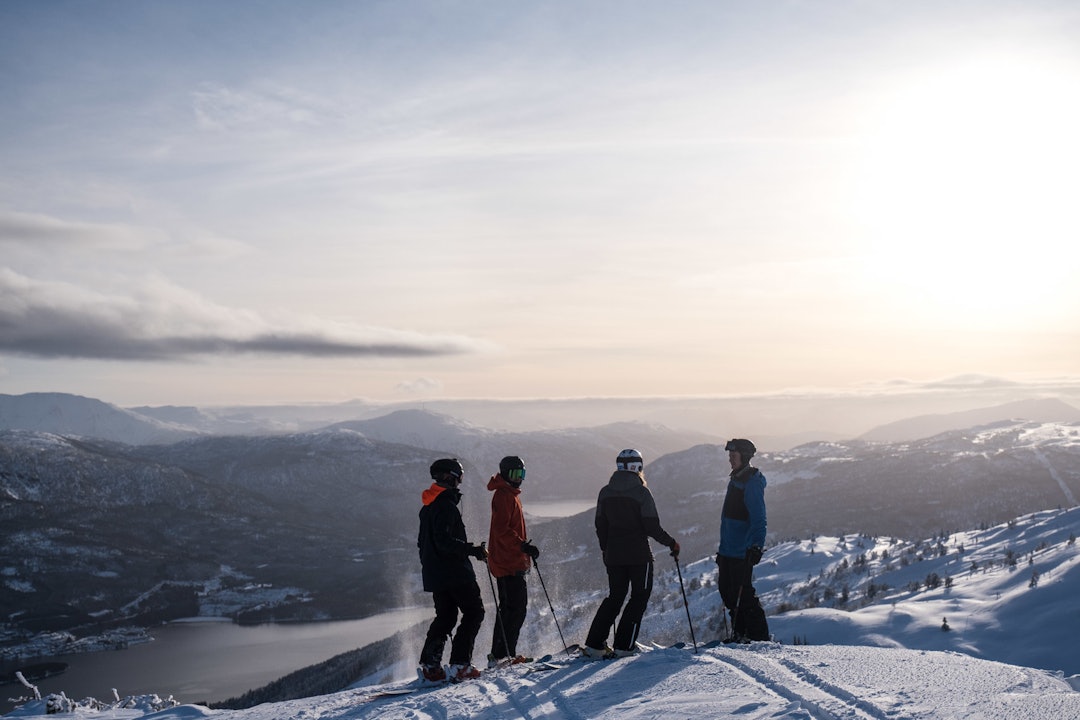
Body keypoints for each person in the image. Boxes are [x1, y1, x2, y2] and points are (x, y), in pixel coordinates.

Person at [583, 448, 680, 658]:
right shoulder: (641, 493)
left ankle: (594, 645)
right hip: (639, 557)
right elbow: (651, 526)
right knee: (639, 598)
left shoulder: (605, 492)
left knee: (615, 598)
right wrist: (671, 543)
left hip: (614, 556)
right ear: (638, 467)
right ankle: (624, 646)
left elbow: (600, 525)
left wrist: (605, 548)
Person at [417, 458, 488, 682]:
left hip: (435, 573)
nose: (460, 482)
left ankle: (431, 666)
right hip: (455, 572)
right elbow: (444, 541)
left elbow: (425, 543)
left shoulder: (429, 506)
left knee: (446, 616)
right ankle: (460, 665)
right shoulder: (445, 506)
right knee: (474, 611)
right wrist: (471, 550)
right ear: (451, 477)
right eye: (459, 476)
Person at [485, 455, 540, 666]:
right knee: (515, 609)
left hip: (510, 559)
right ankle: (502, 655)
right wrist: (522, 545)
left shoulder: (510, 494)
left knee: (510, 608)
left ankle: (501, 654)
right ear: (506, 473)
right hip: (507, 562)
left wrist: (522, 548)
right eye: (516, 474)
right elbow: (501, 529)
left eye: (522, 474)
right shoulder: (503, 496)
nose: (520, 479)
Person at [716, 438, 770, 642]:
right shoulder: (736, 479)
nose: (730, 459)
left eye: (734, 456)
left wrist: (757, 546)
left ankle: (759, 638)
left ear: (745, 457)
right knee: (728, 593)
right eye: (729, 456)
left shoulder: (751, 483)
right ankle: (740, 634)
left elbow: (759, 518)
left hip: (742, 551)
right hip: (728, 550)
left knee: (743, 595)